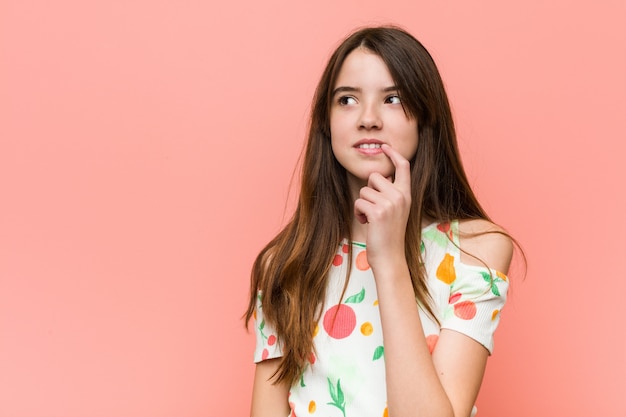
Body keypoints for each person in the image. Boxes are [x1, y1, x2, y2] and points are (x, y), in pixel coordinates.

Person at [245, 26, 516, 417]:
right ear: (327, 122)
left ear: (425, 118)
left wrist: (388, 258)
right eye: (347, 100)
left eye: (392, 99)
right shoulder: (286, 265)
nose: (368, 119)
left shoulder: (475, 251)